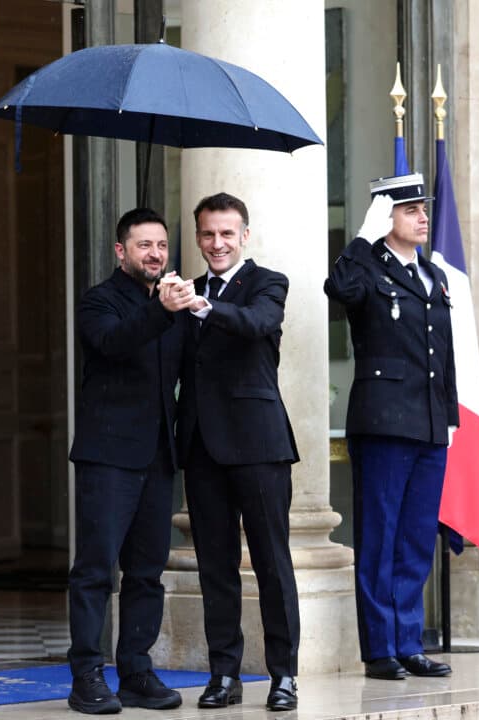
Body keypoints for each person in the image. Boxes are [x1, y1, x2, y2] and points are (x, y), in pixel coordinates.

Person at [324, 173, 457, 681]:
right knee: (380, 537)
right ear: (386, 218)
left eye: (423, 209)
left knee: (416, 538)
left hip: (427, 424)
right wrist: (361, 237)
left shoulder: (433, 276)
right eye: (410, 210)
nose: (423, 217)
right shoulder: (366, 269)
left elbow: (443, 356)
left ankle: (408, 641)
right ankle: (380, 648)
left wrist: (450, 416)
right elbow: (338, 290)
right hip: (383, 423)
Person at [173, 193, 301, 712]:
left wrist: (202, 305)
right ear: (198, 237)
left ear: (244, 235)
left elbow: (257, 324)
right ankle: (223, 675)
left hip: (259, 444)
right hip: (202, 445)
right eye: (207, 234)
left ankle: (284, 675)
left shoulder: (268, 283)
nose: (217, 243)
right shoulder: (186, 290)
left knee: (272, 564)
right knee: (214, 568)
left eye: (227, 233)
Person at [65, 207, 193, 715]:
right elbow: (114, 343)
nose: (155, 254)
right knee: (96, 570)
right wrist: (163, 310)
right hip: (108, 457)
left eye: (161, 245)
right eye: (144, 245)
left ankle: (137, 670)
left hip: (158, 456)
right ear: (121, 251)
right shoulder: (99, 300)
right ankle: (87, 676)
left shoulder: (174, 305)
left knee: (146, 572)